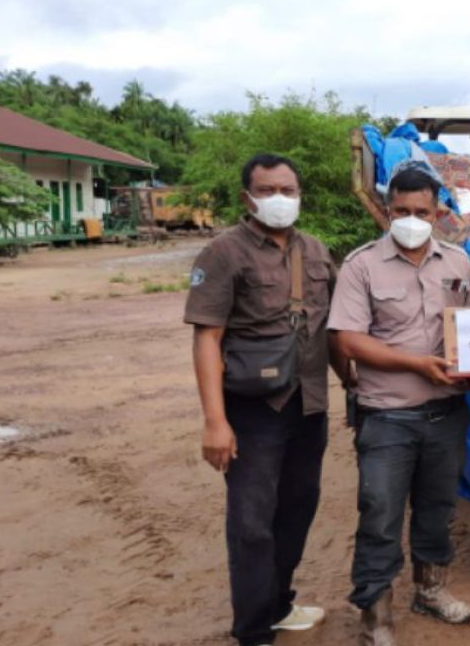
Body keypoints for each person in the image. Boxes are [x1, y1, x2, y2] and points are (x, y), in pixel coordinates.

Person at [185, 153, 337, 646]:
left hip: (309, 405)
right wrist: (214, 422)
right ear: (246, 197)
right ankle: (252, 631)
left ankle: (278, 604)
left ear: (300, 195)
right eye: (268, 190)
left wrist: (355, 385)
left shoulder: (315, 251)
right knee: (252, 525)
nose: (279, 199)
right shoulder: (223, 253)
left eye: (288, 191)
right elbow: (207, 338)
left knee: (297, 509)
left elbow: (334, 330)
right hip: (253, 410)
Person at [327, 167, 470, 646]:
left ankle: (430, 590)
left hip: (446, 414)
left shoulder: (459, 263)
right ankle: (376, 615)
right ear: (386, 211)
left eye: (422, 212)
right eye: (401, 212)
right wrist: (418, 364)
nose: (412, 220)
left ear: (438, 213)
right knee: (379, 512)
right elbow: (348, 339)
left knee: (438, 509)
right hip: (387, 415)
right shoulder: (362, 265)